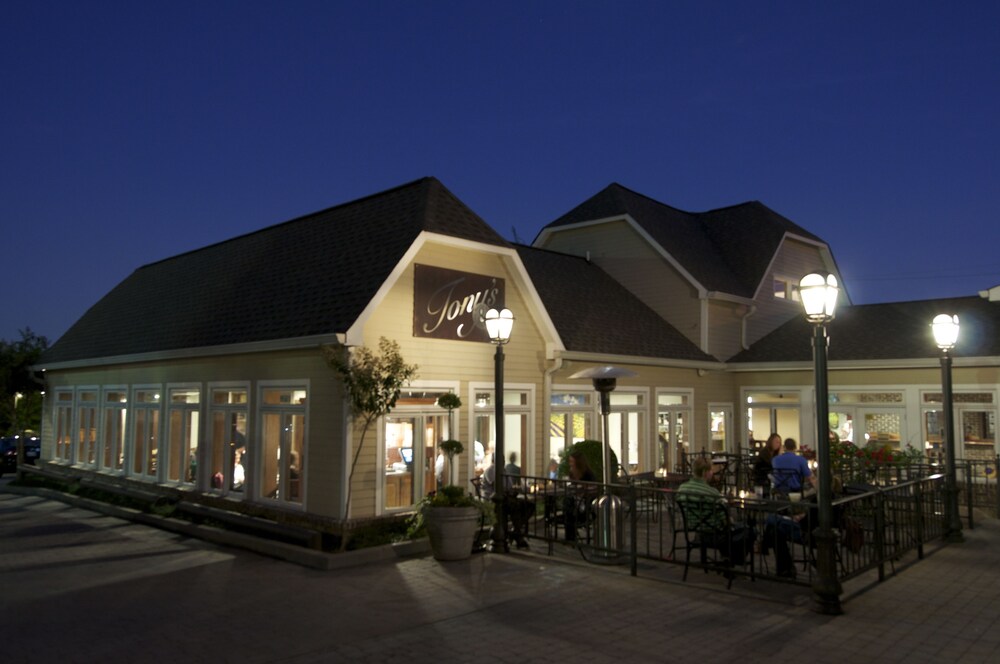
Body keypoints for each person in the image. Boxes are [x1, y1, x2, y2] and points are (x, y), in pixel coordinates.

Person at [677, 457, 754, 567]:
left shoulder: (682, 488)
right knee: (749, 530)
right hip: (715, 534)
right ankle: (734, 560)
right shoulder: (712, 493)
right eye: (711, 470)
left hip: (696, 530)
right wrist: (730, 520)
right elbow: (724, 519)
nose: (712, 473)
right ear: (705, 472)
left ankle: (728, 558)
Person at [563, 450, 597, 541]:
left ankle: (570, 536)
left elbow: (593, 488)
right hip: (575, 499)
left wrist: (582, 488)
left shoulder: (587, 474)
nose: (570, 464)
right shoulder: (572, 472)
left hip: (584, 502)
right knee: (567, 502)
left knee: (568, 504)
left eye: (572, 461)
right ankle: (570, 536)